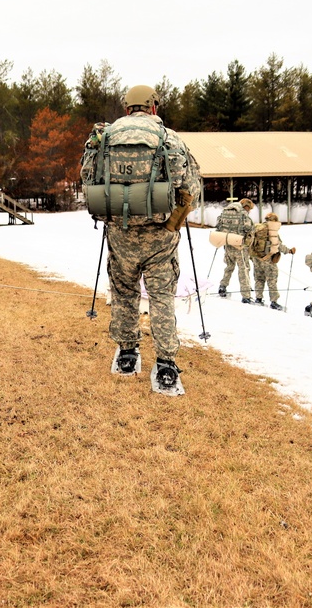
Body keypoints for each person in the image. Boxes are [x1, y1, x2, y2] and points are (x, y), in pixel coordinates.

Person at [79, 85, 201, 396]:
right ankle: (166, 365)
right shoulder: (168, 138)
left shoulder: (105, 137)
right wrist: (174, 220)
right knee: (161, 297)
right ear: (153, 107)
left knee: (124, 293)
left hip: (120, 234)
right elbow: (189, 188)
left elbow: (87, 180)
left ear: (127, 106)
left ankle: (127, 354)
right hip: (160, 236)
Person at [250, 212, 296, 311]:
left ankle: (258, 299)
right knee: (272, 280)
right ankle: (274, 302)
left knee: (259, 279)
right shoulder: (272, 232)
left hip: (256, 259)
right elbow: (278, 245)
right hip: (268, 260)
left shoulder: (257, 229)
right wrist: (289, 251)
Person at [216, 198, 255, 303]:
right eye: (249, 208)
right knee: (243, 270)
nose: (249, 211)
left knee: (229, 267)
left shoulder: (226, 211)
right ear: (246, 206)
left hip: (228, 244)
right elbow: (250, 230)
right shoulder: (243, 214)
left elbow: (218, 225)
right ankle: (246, 295)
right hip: (240, 246)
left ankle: (222, 286)